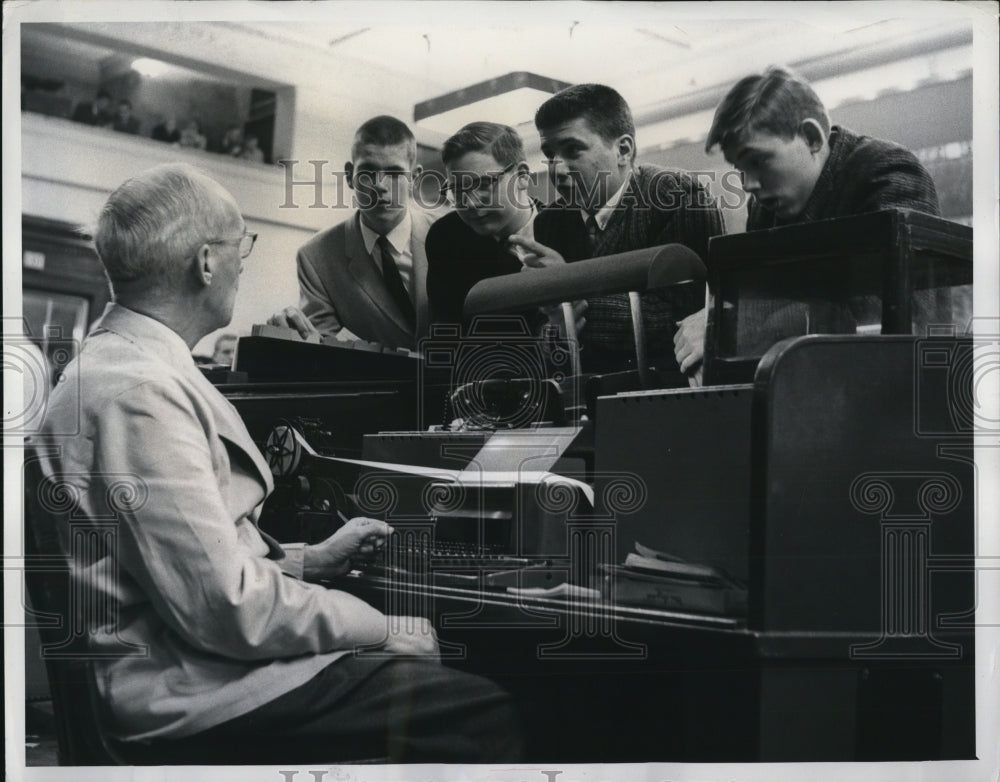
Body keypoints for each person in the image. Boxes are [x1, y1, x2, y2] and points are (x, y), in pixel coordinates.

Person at [34, 163, 523, 763]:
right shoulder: (138, 393)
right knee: (482, 711)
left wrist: (307, 559)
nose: (243, 263)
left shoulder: (124, 370)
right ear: (206, 262)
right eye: (242, 245)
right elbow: (226, 609)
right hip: (190, 691)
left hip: (187, 664)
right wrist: (380, 626)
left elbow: (179, 561)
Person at [672, 65, 941, 377]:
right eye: (739, 169)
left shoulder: (890, 173)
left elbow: (882, 307)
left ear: (812, 137)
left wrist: (725, 325)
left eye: (758, 161)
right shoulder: (764, 209)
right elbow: (762, 303)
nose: (748, 184)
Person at [525, 83, 725, 376]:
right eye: (549, 153)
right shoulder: (549, 222)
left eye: (572, 150)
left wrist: (570, 294)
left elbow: (687, 316)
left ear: (623, 149)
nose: (557, 169)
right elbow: (547, 333)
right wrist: (556, 326)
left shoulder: (678, 195)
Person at [269, 116, 435, 350]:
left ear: (415, 179)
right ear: (349, 176)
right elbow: (322, 347)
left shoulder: (453, 237)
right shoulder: (316, 258)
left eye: (395, 173)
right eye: (368, 172)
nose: (380, 185)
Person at [425, 122, 541, 326]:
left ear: (522, 176)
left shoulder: (568, 228)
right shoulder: (445, 237)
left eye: (484, 184)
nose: (470, 202)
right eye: (458, 190)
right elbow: (449, 330)